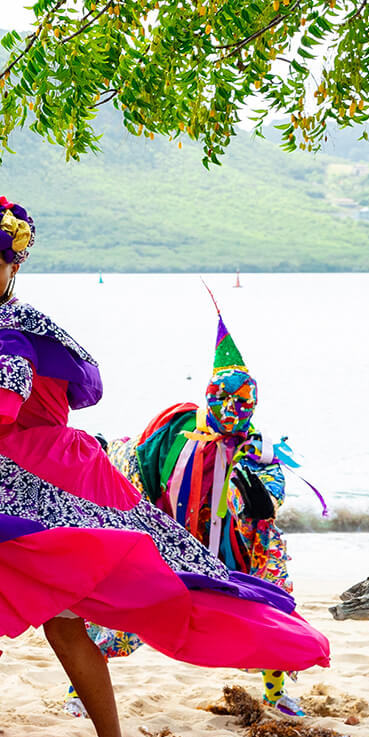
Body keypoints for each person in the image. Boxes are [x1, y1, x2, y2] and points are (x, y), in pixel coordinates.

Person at [0, 197, 332, 737]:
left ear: (15, 267)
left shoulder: (14, 327)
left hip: (40, 479)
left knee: (40, 618)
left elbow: (8, 379)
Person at [79, 304, 309, 716]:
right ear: (209, 396)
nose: (233, 408)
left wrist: (258, 502)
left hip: (237, 549)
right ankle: (80, 689)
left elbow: (268, 492)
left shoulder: (258, 449)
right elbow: (136, 459)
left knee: (267, 605)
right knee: (130, 607)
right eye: (223, 398)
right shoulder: (176, 433)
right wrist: (101, 451)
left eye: (243, 401)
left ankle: (274, 692)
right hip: (173, 539)